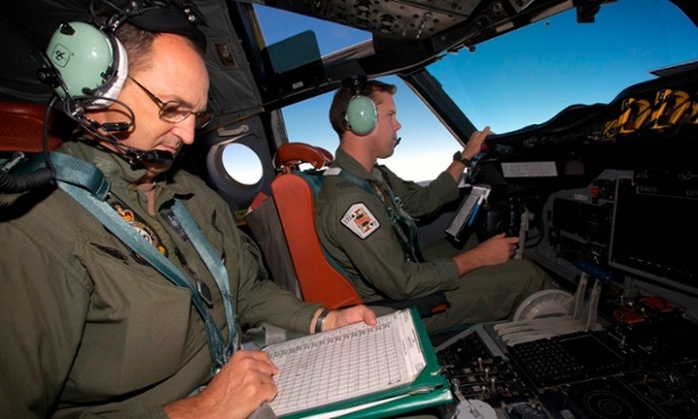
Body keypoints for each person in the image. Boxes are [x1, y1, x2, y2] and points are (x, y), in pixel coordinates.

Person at [0, 2, 376, 417]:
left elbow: (244, 292)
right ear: (96, 90)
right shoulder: (33, 227)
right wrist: (201, 409)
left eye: (196, 115)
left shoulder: (193, 195)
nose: (189, 134)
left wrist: (323, 321)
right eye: (172, 109)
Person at [315, 79, 555, 334]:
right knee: (526, 276)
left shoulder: (372, 176)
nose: (398, 124)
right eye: (390, 115)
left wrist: (465, 156)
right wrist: (480, 258)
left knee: (473, 239)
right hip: (397, 308)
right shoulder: (350, 202)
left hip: (402, 271)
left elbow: (421, 202)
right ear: (362, 118)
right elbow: (403, 283)